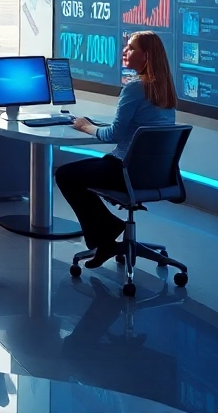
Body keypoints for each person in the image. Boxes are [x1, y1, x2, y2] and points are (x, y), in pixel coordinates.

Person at [56, 30, 178, 269]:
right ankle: (106, 235)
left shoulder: (135, 88)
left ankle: (107, 234)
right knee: (86, 172)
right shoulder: (166, 89)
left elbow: (112, 135)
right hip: (157, 175)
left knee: (65, 175)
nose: (125, 51)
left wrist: (86, 126)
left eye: (131, 48)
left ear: (146, 55)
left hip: (126, 172)